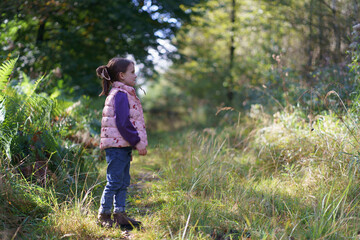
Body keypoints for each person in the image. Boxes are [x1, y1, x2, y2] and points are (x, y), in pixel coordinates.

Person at [95, 57, 148, 229]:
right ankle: (104, 215)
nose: (136, 76)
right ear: (122, 75)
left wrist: (129, 146)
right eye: (132, 72)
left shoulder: (125, 93)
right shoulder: (120, 95)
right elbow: (123, 123)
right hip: (117, 147)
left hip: (121, 146)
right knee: (114, 182)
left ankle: (120, 214)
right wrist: (137, 142)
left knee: (124, 181)